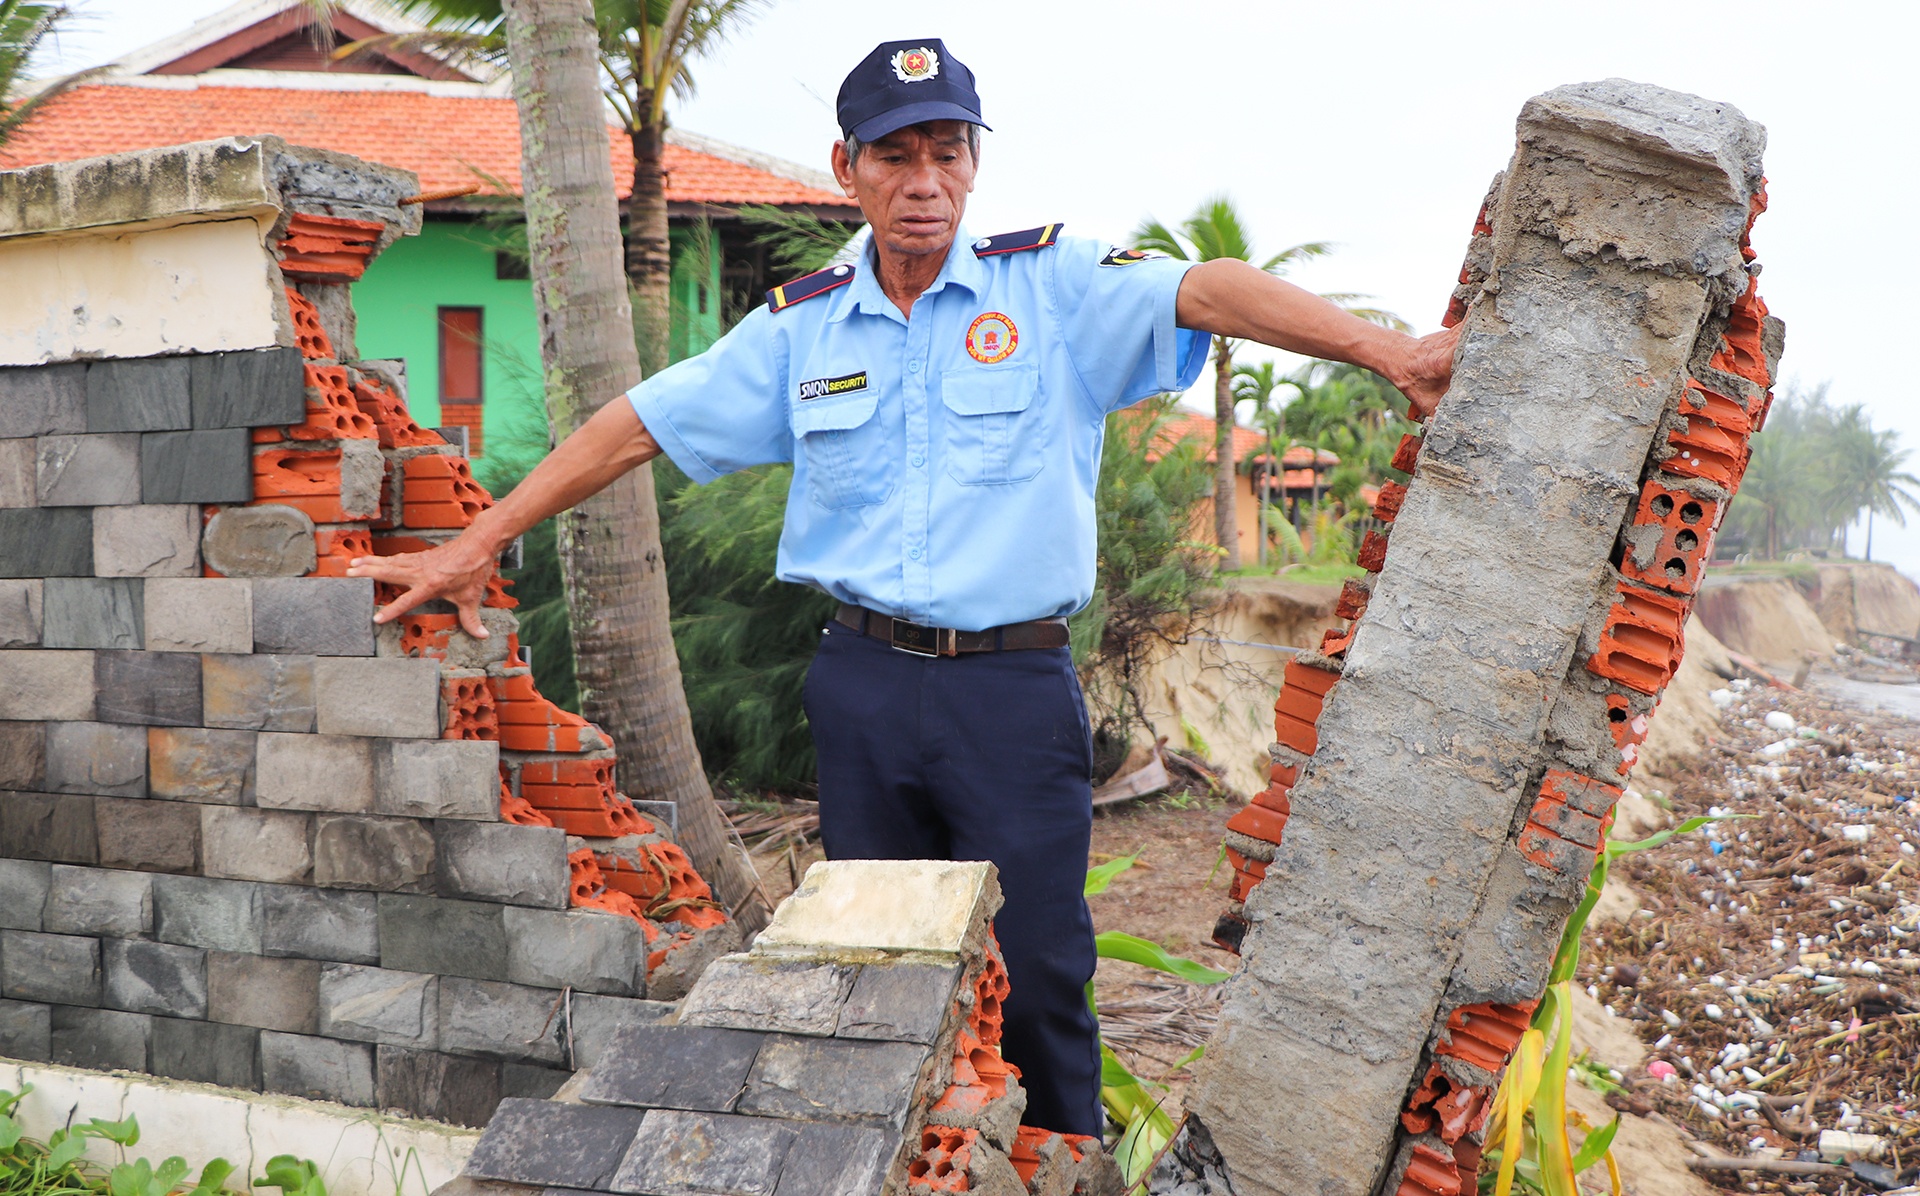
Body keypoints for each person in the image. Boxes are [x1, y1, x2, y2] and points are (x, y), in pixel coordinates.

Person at [347, 36, 1458, 1136]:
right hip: (864, 683)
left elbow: (1205, 289)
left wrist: (1384, 351)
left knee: (1041, 969)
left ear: (975, 161)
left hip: (1010, 690)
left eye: (947, 152)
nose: (924, 183)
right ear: (848, 167)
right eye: (895, 157)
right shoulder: (803, 326)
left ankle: (1065, 1163)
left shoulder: (1054, 284)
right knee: (878, 957)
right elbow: (638, 422)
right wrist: (473, 543)